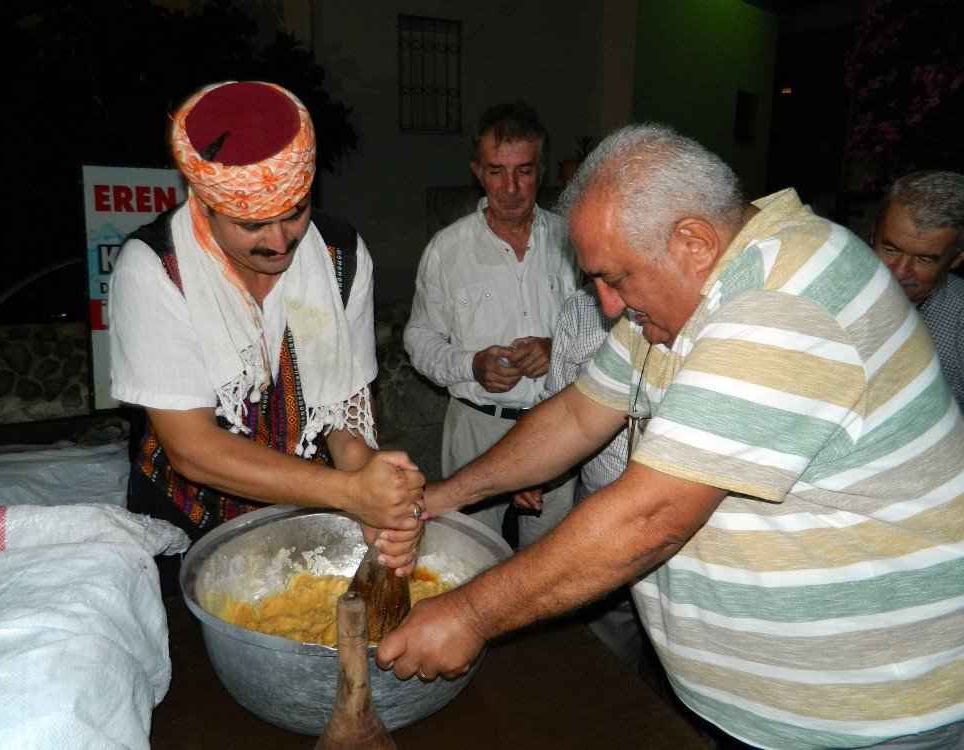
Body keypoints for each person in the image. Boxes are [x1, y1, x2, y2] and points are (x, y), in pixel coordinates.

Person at [379, 124, 964, 749]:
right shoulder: (688, 290)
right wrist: (439, 499)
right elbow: (578, 416)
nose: (606, 305)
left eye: (615, 279)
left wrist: (468, 615)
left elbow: (650, 517)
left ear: (692, 242)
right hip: (766, 707)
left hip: (866, 712)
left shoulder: (783, 304)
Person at [109, 81, 425, 571]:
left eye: (295, 213)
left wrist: (375, 495)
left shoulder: (340, 256)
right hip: (184, 531)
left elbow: (345, 418)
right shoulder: (154, 268)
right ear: (204, 204)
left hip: (307, 523)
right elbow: (192, 448)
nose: (279, 242)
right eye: (252, 224)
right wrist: (350, 492)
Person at [403, 101, 580, 548]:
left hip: (557, 424)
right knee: (468, 558)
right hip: (477, 428)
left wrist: (557, 348)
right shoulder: (448, 248)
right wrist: (471, 364)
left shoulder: (573, 241)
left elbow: (610, 332)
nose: (512, 187)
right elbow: (420, 339)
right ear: (478, 171)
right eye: (497, 171)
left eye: (524, 171)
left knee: (548, 565)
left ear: (542, 171)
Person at [541, 283, 643, 672]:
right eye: (595, 274)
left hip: (680, 515)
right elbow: (560, 406)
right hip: (599, 502)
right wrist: (535, 472)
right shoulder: (580, 309)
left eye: (617, 275)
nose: (609, 301)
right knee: (605, 643)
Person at [871, 170, 964, 413]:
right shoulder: (826, 288)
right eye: (890, 250)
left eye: (924, 260)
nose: (899, 272)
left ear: (957, 258)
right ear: (873, 234)